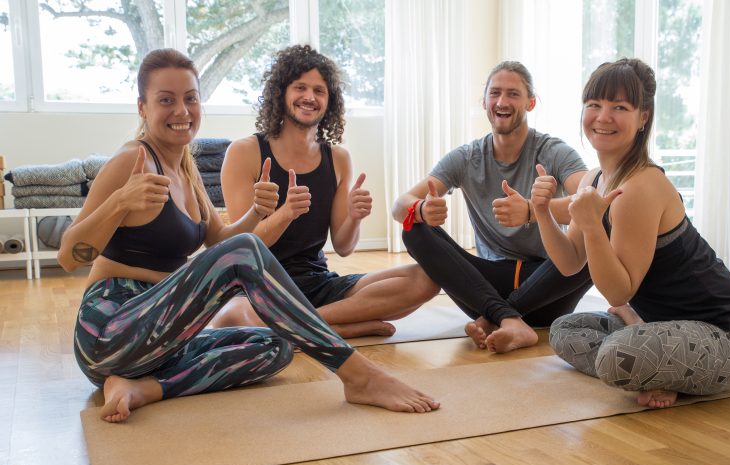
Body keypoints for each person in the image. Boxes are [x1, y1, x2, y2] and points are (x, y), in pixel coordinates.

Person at [58, 49, 439, 423]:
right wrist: (119, 202)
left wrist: (258, 212)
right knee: (245, 253)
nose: (182, 111)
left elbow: (220, 242)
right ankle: (359, 376)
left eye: (191, 99)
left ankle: (144, 388)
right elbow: (68, 256)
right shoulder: (132, 159)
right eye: (166, 100)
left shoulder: (186, 169)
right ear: (142, 107)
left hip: (160, 338)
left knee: (275, 347)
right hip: (109, 330)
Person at [532, 58, 730, 408]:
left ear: (643, 117)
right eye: (594, 105)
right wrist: (541, 212)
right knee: (564, 331)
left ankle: (662, 367)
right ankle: (658, 360)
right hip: (666, 325)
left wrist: (591, 225)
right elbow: (569, 263)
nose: (603, 116)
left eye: (620, 107)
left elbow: (617, 290)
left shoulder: (641, 187)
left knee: (615, 357)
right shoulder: (593, 179)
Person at [209, 45, 439, 338]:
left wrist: (354, 218)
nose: (309, 97)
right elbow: (243, 249)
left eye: (319, 90)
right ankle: (338, 327)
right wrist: (286, 214)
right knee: (229, 319)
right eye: (300, 87)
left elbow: (343, 247)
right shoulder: (244, 152)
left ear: (330, 101)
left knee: (426, 279)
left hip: (316, 283)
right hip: (258, 286)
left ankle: (309, 326)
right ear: (281, 94)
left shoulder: (338, 158)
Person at [392, 61, 590, 354]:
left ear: (530, 102)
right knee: (413, 228)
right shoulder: (467, 156)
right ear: (484, 101)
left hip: (549, 289)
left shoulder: (554, 152)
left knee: (601, 229)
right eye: (495, 93)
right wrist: (422, 209)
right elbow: (400, 204)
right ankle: (509, 319)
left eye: (513, 94)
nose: (502, 101)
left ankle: (499, 319)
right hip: (486, 287)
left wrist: (532, 211)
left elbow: (589, 201)